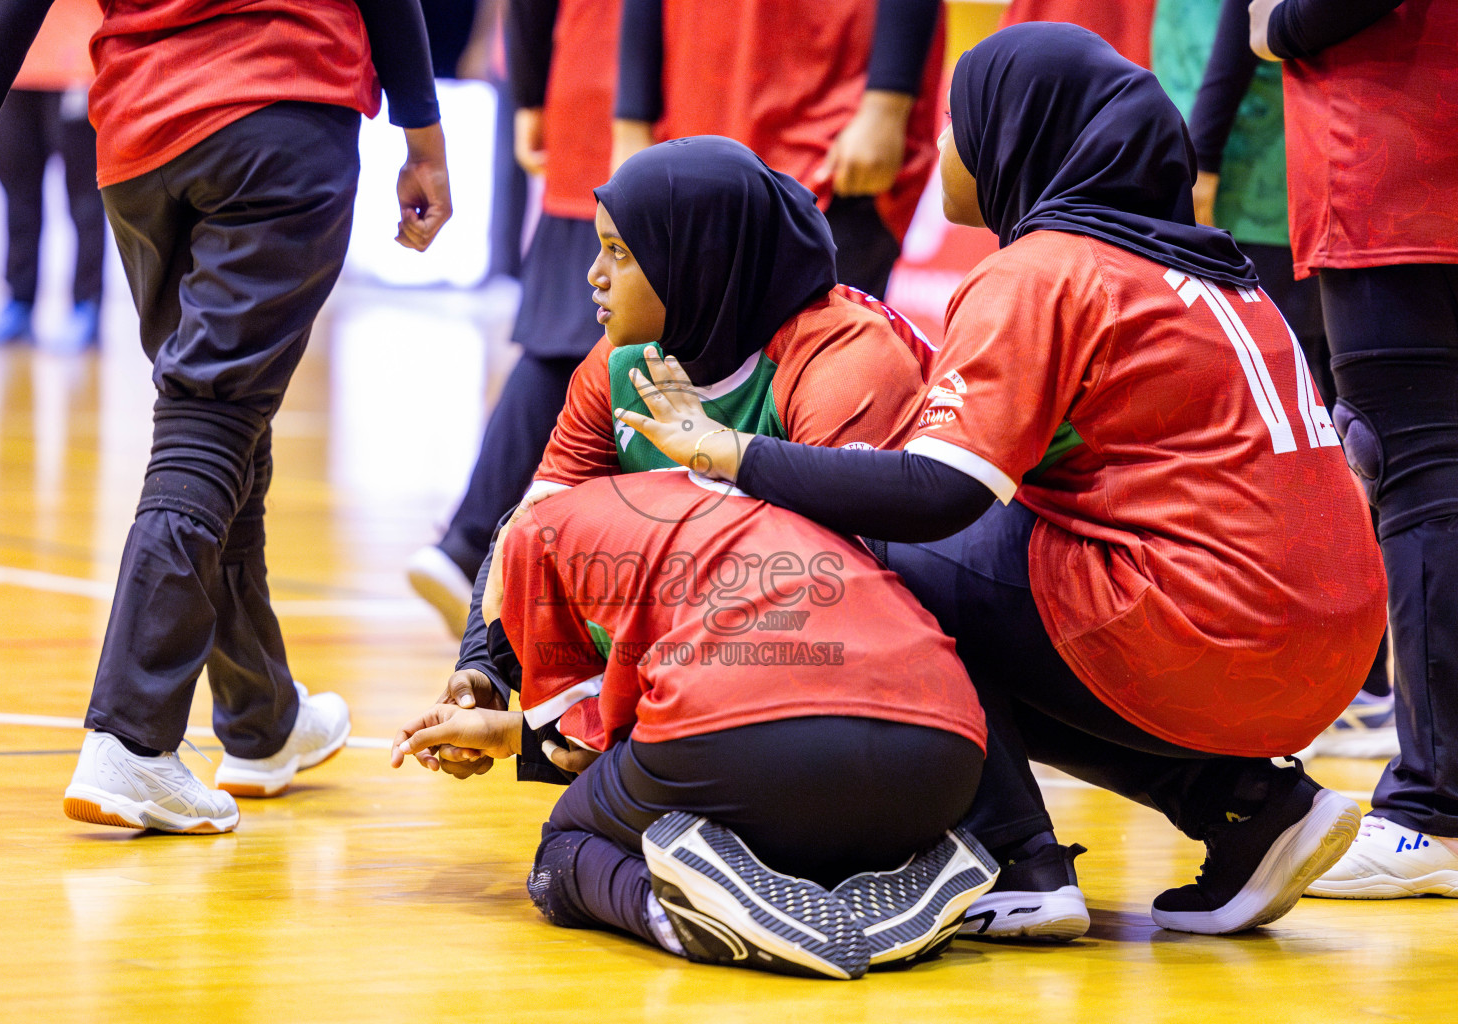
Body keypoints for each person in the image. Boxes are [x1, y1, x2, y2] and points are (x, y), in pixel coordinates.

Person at [617, 23, 1387, 937]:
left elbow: (935, 499)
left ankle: (1020, 861)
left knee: (882, 552)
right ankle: (1254, 808)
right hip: (1334, 650)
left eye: (956, 121)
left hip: (1214, 637)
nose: (944, 144)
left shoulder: (1042, 271)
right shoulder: (1217, 268)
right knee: (1014, 583)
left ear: (1017, 135)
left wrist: (728, 452)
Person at [0, 0, 452, 834]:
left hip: (140, 143)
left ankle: (262, 720)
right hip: (282, 113)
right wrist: (424, 137)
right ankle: (132, 740)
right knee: (210, 422)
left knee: (223, 422)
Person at [429, 136, 938, 761]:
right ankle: (588, 739)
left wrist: (718, 455)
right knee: (544, 524)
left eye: (619, 252)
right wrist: (483, 673)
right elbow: (533, 526)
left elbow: (837, 592)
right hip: (727, 638)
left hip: (864, 667)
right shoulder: (617, 362)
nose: (593, 275)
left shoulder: (845, 358)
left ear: (697, 260)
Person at [393, 469, 996, 979]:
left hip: (754, 734)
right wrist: (505, 733)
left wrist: (509, 709)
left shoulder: (533, 537)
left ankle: (705, 915)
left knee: (562, 852)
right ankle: (925, 867)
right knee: (772, 806)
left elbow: (589, 742)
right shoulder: (751, 502)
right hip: (947, 755)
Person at [1243, 0, 1458, 899]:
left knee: (1419, 466)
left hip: (1400, 159)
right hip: (1412, 152)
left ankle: (1434, 813)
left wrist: (1279, 21)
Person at [1155, 0, 1396, 761]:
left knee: (1317, 428)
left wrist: (1200, 155)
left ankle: (1361, 680)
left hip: (1262, 176)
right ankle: (1348, 676)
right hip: (1252, 165)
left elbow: (1242, 20)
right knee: (1313, 422)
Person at [407, 0, 624, 636]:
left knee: (563, 334)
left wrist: (531, 94)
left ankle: (473, 543)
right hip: (676, 96)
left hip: (583, 81)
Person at [611, 0, 944, 299]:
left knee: (828, 354)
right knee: (694, 357)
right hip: (701, 114)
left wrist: (886, 103)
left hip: (834, 125)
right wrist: (631, 126)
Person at [0, 0, 106, 353]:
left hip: (79, 65)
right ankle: (18, 303)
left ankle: (87, 307)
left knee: (86, 202)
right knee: (17, 198)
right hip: (13, 71)